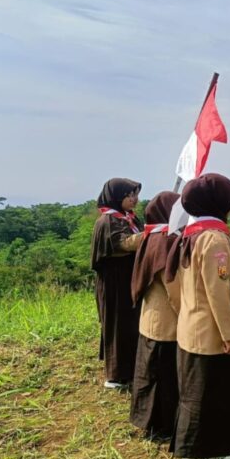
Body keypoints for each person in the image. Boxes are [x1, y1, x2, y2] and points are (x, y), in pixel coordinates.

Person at [165, 173, 230, 459]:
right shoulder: (215, 240)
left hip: (191, 329)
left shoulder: (188, 236)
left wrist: (186, 314)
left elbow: (172, 283)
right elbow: (219, 292)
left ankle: (192, 456)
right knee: (213, 396)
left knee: (194, 395)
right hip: (212, 336)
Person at [129, 191, 181, 440]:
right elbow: (172, 285)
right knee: (164, 376)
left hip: (151, 316)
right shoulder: (165, 241)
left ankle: (149, 422)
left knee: (150, 373)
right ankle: (162, 426)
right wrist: (187, 313)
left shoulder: (152, 236)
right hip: (166, 320)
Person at [91, 178, 143, 389]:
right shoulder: (108, 221)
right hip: (114, 283)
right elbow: (124, 243)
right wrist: (154, 234)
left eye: (135, 195)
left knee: (131, 324)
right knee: (117, 325)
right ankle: (116, 375)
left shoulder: (130, 218)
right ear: (116, 196)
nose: (134, 199)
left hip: (128, 279)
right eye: (129, 195)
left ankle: (131, 370)